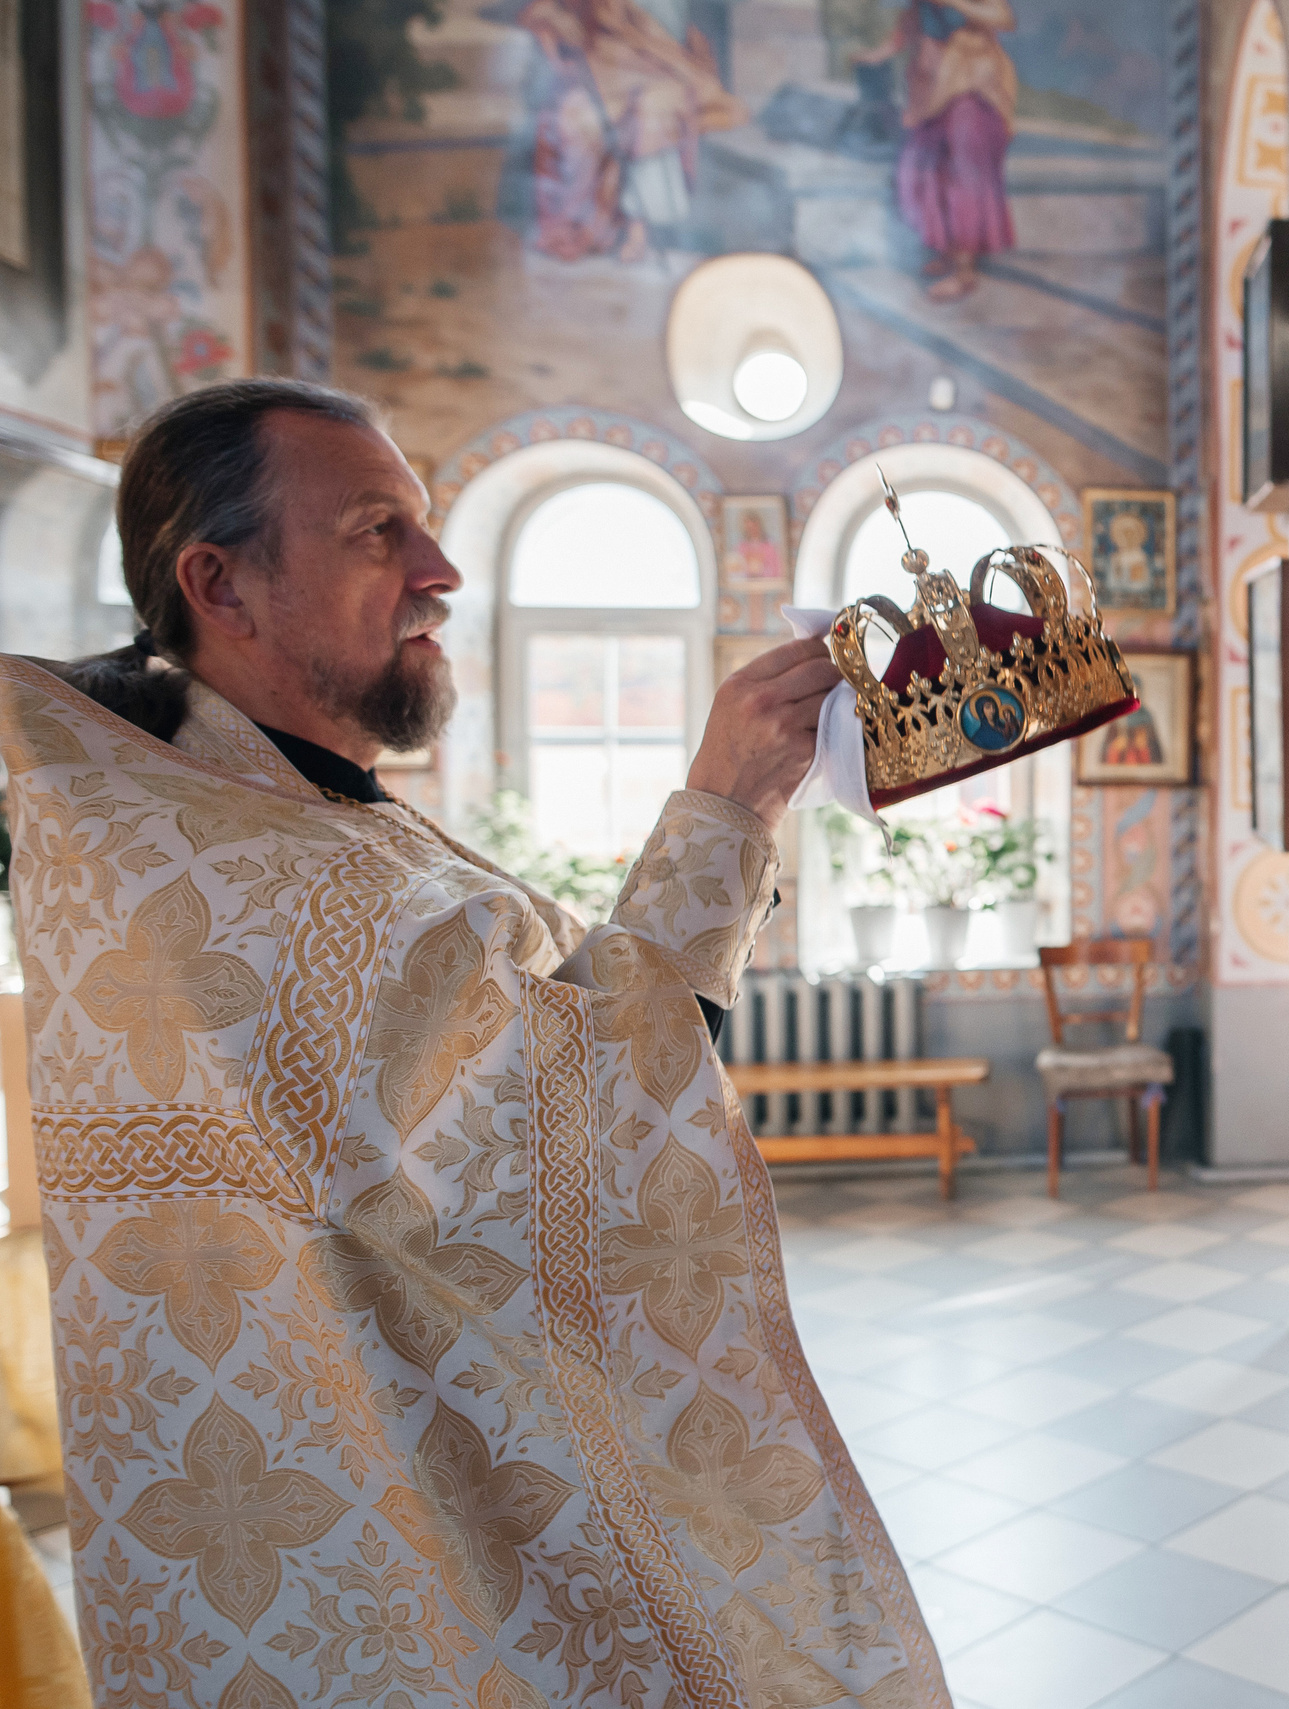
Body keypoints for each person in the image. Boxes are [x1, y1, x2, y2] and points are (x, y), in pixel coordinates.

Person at [1, 380, 946, 1707]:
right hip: (371, 1553)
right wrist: (724, 800)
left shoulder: (294, 814)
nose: (441, 572)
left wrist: (736, 806)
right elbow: (576, 1122)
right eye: (379, 530)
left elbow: (547, 1043)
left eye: (430, 525)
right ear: (221, 583)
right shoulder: (221, 870)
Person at [508, 0, 745, 264]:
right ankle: (592, 224)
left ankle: (639, 225)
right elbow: (551, 17)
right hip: (602, 65)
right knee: (578, 119)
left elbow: (666, 36)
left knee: (652, 110)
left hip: (659, 65)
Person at [857, 0, 1020, 303]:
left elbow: (1003, 17)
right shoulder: (920, 7)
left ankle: (964, 271)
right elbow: (905, 31)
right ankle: (946, 253)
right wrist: (876, 56)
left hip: (973, 96)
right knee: (917, 171)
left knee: (964, 179)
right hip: (933, 99)